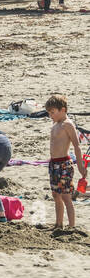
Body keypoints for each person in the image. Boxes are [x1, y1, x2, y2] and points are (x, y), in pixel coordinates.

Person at [45, 95, 86, 229]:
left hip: (64, 164)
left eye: (52, 112)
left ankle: (72, 226)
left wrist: (80, 166)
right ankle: (58, 224)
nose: (50, 115)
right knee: (56, 195)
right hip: (53, 164)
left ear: (63, 110)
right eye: (49, 113)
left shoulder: (67, 124)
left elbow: (77, 146)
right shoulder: (55, 123)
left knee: (66, 196)